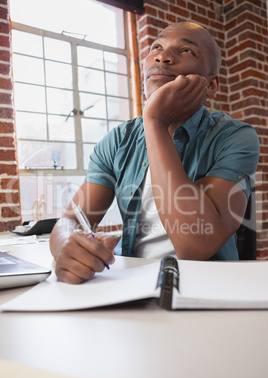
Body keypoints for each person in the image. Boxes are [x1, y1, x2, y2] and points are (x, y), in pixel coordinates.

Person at [50, 21, 260, 284]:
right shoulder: (118, 140)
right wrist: (67, 244)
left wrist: (155, 123)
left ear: (211, 84)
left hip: (208, 286)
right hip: (133, 282)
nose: (162, 56)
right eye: (156, 47)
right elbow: (72, 218)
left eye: (186, 51)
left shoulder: (235, 136)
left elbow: (195, 244)